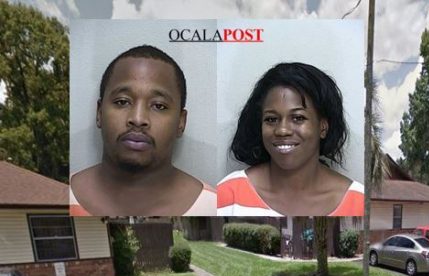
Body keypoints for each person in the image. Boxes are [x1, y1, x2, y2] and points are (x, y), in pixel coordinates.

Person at [70, 45, 216, 216]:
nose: (138, 119)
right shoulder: (61, 194)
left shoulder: (214, 206)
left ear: (181, 122)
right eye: (122, 102)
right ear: (99, 113)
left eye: (159, 106)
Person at [216, 62, 363, 217]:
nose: (282, 130)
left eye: (298, 118)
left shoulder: (358, 201)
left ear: (323, 127)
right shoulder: (229, 193)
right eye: (271, 119)